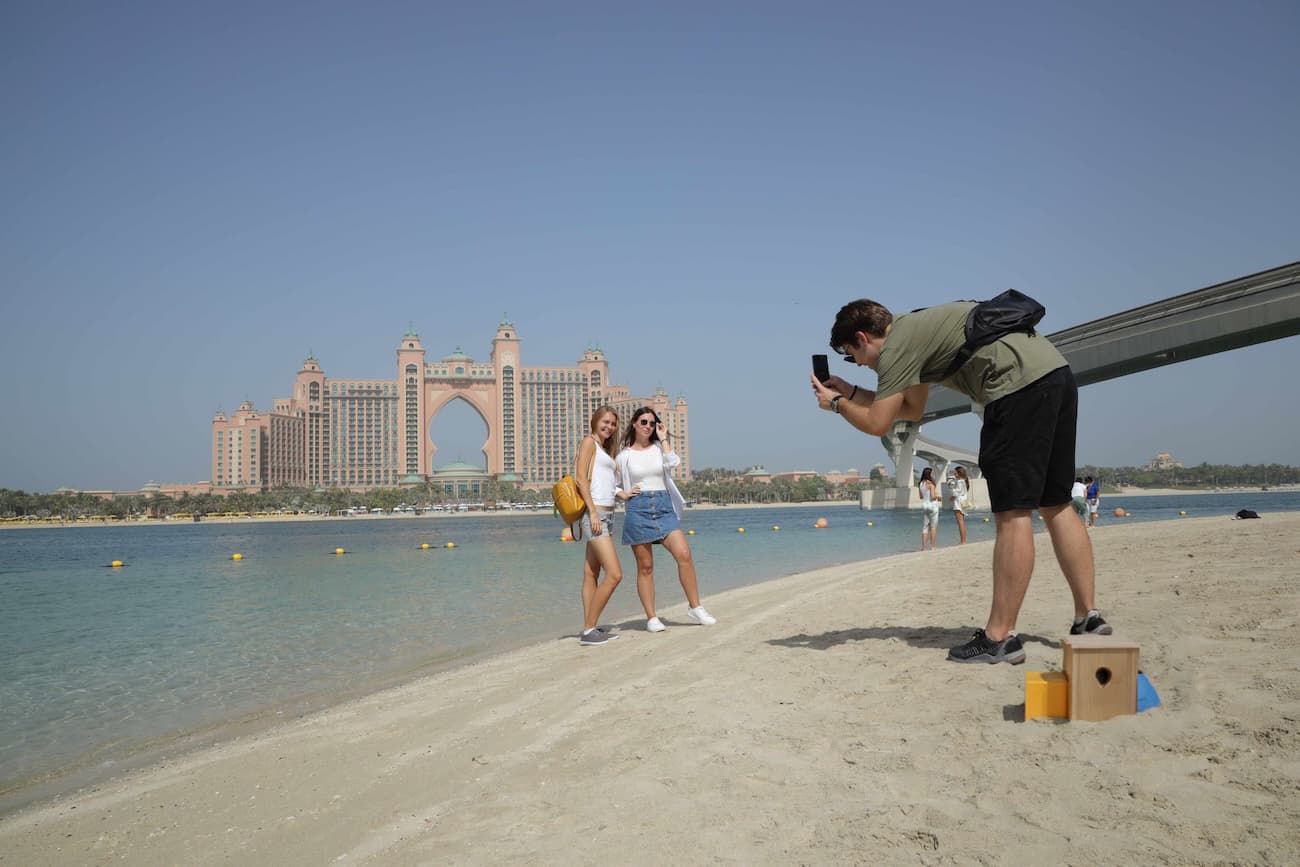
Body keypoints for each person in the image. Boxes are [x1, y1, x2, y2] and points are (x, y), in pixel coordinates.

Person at [811, 297, 1111, 665]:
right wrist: (852, 393)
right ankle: (1088, 617)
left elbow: (877, 424)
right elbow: (912, 410)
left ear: (862, 337)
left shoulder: (894, 350)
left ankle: (999, 637)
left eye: (850, 355)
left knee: (1012, 513)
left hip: (1015, 390)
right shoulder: (913, 329)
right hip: (1055, 375)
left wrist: (837, 405)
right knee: (1055, 503)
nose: (857, 364)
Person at [615, 407, 716, 632]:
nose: (647, 427)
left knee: (684, 554)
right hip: (638, 508)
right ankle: (651, 617)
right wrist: (622, 494)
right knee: (645, 567)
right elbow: (610, 481)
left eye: (652, 423)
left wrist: (663, 439)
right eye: (643, 422)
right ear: (634, 423)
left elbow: (673, 464)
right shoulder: (624, 456)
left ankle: (695, 607)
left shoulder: (660, 449)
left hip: (663, 507)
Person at [573, 406, 626, 646]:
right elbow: (580, 479)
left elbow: (604, 483)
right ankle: (588, 629)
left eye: (613, 424)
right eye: (606, 422)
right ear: (595, 421)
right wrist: (593, 512)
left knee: (591, 573)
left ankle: (590, 627)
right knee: (615, 574)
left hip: (607, 515)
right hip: (594, 516)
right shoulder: (588, 443)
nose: (609, 427)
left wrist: (621, 494)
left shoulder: (605, 450)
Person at [918, 467, 940, 551]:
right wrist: (938, 497)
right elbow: (933, 497)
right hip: (932, 506)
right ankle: (933, 546)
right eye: (932, 473)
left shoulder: (920, 484)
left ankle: (923, 547)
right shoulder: (931, 484)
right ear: (929, 474)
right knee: (933, 527)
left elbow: (921, 496)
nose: (933, 474)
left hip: (925, 506)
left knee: (925, 527)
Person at [951, 466, 970, 544]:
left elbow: (957, 492)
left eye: (955, 472)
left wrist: (952, 496)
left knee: (960, 522)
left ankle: (963, 541)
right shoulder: (964, 481)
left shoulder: (959, 481)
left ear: (959, 473)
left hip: (958, 502)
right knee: (962, 522)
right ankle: (964, 540)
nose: (954, 474)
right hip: (964, 502)